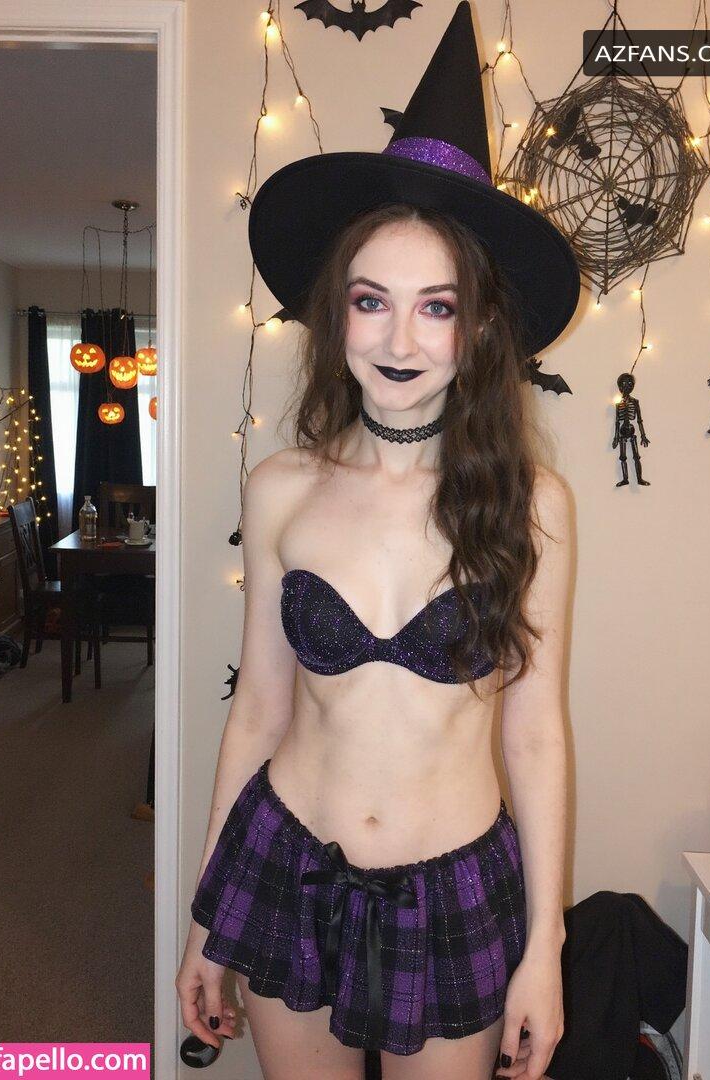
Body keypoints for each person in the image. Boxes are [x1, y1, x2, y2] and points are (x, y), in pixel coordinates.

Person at [175, 4, 580, 1078]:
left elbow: (536, 737)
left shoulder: (534, 506)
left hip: (453, 895)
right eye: (372, 301)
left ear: (479, 327)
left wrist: (544, 946)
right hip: (283, 869)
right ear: (336, 311)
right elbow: (257, 710)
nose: (400, 339)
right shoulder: (281, 491)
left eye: (436, 308)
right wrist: (207, 916)